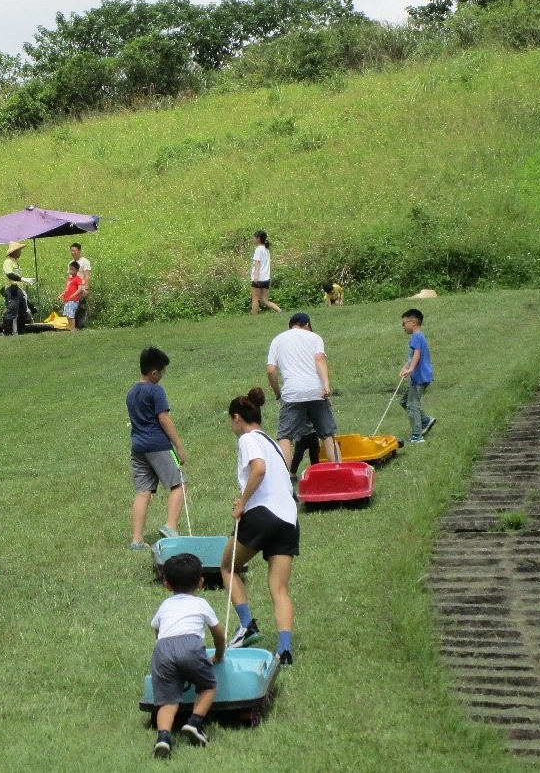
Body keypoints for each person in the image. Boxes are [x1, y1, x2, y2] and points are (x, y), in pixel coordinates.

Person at [220, 387, 298, 665]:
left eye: (231, 421)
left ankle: (247, 626)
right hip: (289, 520)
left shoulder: (249, 439)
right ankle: (285, 650)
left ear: (237, 418)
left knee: (227, 566)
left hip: (262, 514)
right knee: (279, 588)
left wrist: (241, 503)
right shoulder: (273, 442)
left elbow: (259, 469)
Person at [148, 553, 226, 758]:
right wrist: (218, 655)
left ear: (167, 585)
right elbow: (218, 634)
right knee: (208, 685)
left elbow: (156, 629)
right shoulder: (201, 604)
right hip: (190, 645)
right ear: (200, 582)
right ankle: (195, 723)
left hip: (162, 649)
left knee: (167, 699)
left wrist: (163, 646)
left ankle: (163, 737)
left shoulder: (165, 605)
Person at [127, 347, 187, 550]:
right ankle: (170, 526)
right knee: (179, 485)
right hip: (159, 446)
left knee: (143, 492)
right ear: (154, 372)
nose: (162, 376)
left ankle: (137, 541)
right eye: (162, 372)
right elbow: (164, 418)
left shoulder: (132, 392)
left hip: (138, 447)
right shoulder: (155, 390)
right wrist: (179, 446)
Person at [266, 312, 340, 465]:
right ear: (307, 325)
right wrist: (326, 385)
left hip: (292, 393)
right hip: (316, 391)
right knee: (327, 434)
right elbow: (319, 359)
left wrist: (278, 394)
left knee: (285, 436)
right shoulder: (315, 338)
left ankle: (284, 478)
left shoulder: (277, 340)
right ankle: (338, 470)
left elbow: (271, 370)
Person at [400, 308, 436, 444]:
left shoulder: (417, 336)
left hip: (420, 376)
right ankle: (425, 420)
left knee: (412, 404)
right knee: (404, 401)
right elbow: (411, 357)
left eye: (404, 323)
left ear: (413, 322)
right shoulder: (417, 337)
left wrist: (411, 369)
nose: (403, 327)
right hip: (417, 376)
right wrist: (405, 368)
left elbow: (417, 354)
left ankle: (417, 435)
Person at [1, 241, 34, 335]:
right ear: (14, 251)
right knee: (11, 311)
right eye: (19, 250)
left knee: (22, 312)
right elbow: (9, 274)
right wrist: (22, 279)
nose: (20, 252)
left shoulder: (16, 262)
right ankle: (8, 333)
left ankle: (21, 332)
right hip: (12, 290)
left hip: (19, 290)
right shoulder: (8, 262)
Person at [249, 230, 281, 315]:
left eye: (254, 237)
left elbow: (257, 264)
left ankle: (254, 318)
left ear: (258, 239)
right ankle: (279, 311)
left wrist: (256, 277)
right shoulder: (266, 249)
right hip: (266, 278)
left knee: (255, 299)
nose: (253, 239)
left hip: (258, 278)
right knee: (264, 300)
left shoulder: (258, 249)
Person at [69, 242, 92, 329]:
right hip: (72, 290)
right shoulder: (71, 263)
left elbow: (86, 275)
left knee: (81, 308)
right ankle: (74, 328)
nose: (73, 253)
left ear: (79, 251)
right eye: (71, 251)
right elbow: (70, 277)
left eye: (75, 251)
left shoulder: (84, 261)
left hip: (81, 289)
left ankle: (81, 327)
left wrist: (86, 288)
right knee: (72, 309)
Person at [58, 260, 84, 331]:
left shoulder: (78, 279)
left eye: (73, 270)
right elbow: (67, 289)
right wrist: (61, 294)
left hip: (73, 300)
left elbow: (80, 289)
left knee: (71, 315)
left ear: (77, 270)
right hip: (67, 300)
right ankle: (70, 327)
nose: (71, 271)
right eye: (70, 269)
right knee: (67, 315)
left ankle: (73, 329)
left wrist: (74, 295)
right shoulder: (69, 279)